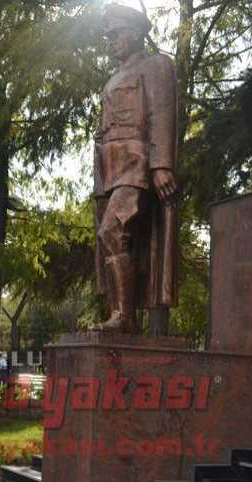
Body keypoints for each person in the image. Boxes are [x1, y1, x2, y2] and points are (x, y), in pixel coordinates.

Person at [92, 4, 179, 332]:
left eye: (118, 33)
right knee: (112, 238)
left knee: (113, 230)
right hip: (110, 169)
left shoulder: (156, 66)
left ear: (137, 32)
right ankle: (120, 314)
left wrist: (161, 165)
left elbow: (161, 114)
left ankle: (125, 317)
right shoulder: (113, 78)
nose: (112, 40)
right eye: (109, 35)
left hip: (138, 164)